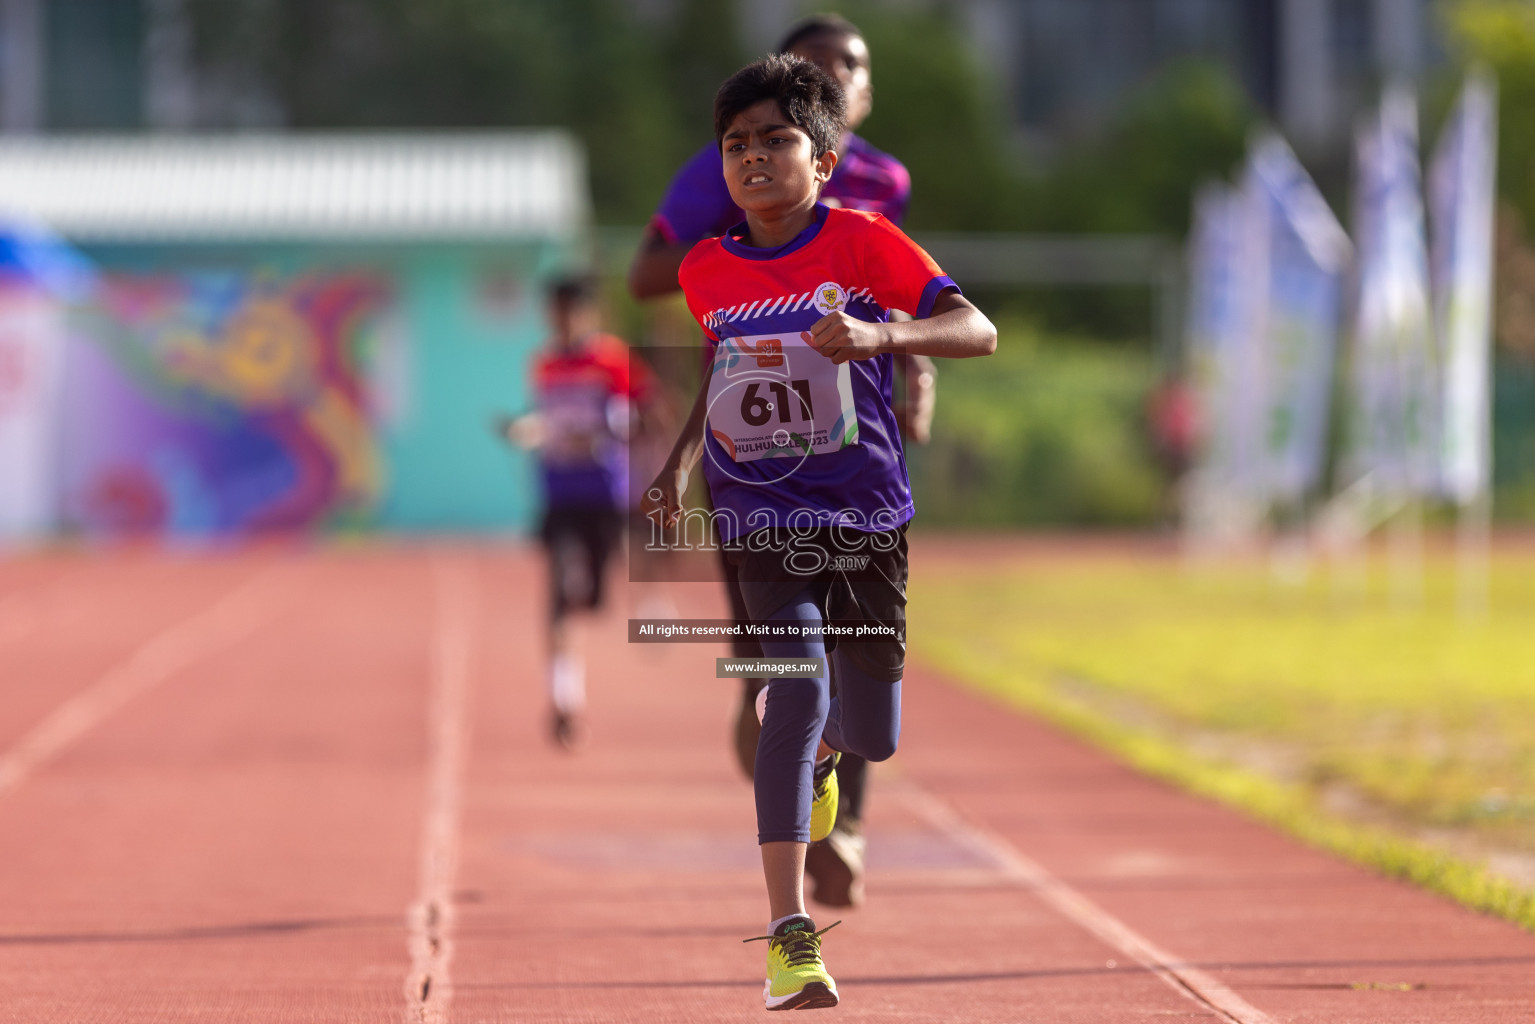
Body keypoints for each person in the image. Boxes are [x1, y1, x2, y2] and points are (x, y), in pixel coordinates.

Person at [643, 54, 995, 1010]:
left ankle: (833, 759)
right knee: (791, 692)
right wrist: (679, 468)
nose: (752, 159)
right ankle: (789, 936)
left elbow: (977, 330)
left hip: (867, 513)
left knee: (867, 732)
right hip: (759, 511)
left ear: (825, 158)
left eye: (775, 140)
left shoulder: (865, 244)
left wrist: (884, 337)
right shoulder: (705, 269)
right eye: (735, 145)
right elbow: (726, 374)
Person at [628, 12, 935, 910]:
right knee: (793, 665)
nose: (836, 74)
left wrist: (905, 357)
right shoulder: (734, 179)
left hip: (859, 455)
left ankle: (834, 788)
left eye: (852, 66)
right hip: (755, 475)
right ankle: (800, 867)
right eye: (815, 63)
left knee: (864, 700)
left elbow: (910, 290)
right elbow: (662, 282)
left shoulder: (882, 190)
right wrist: (753, 252)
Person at [501, 276, 654, 749]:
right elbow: (540, 417)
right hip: (559, 493)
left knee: (591, 599)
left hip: (604, 493)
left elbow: (646, 413)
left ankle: (599, 591)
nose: (564, 321)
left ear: (589, 313)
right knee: (559, 595)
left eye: (573, 311)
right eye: (557, 312)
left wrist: (608, 429)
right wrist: (526, 430)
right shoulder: (543, 363)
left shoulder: (612, 359)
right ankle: (564, 702)